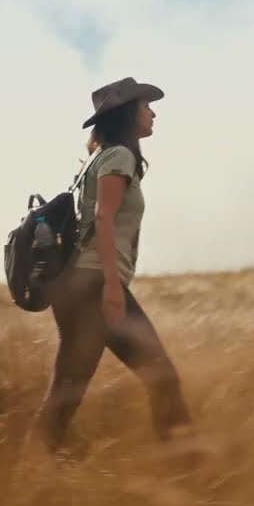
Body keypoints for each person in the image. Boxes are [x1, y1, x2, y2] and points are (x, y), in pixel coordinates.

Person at [26, 77, 193, 456]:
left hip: (78, 287)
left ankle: (31, 468)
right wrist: (114, 289)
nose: (152, 112)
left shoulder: (98, 159)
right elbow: (103, 218)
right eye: (145, 106)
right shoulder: (119, 156)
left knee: (67, 392)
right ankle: (189, 469)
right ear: (127, 114)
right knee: (162, 377)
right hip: (95, 285)